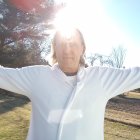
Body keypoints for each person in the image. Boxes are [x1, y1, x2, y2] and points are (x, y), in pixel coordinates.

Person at [0, 27, 140, 140]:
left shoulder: (101, 78)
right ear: (55, 48)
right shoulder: (38, 77)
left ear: (82, 48)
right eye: (61, 44)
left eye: (72, 44)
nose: (67, 50)